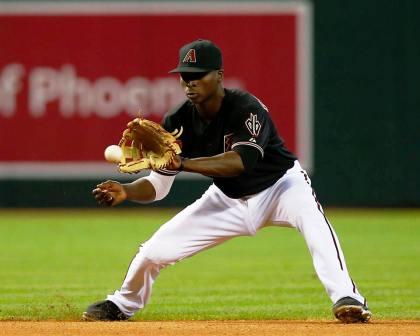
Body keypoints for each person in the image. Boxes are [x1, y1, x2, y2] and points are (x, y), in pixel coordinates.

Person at [83, 39, 371, 323]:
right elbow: (158, 187)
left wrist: (184, 163)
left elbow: (240, 162)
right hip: (227, 199)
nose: (189, 83)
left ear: (219, 76)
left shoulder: (246, 108)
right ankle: (122, 303)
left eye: (198, 76)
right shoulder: (178, 122)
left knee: (315, 223)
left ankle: (347, 297)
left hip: (281, 187)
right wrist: (127, 191)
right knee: (154, 251)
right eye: (185, 76)